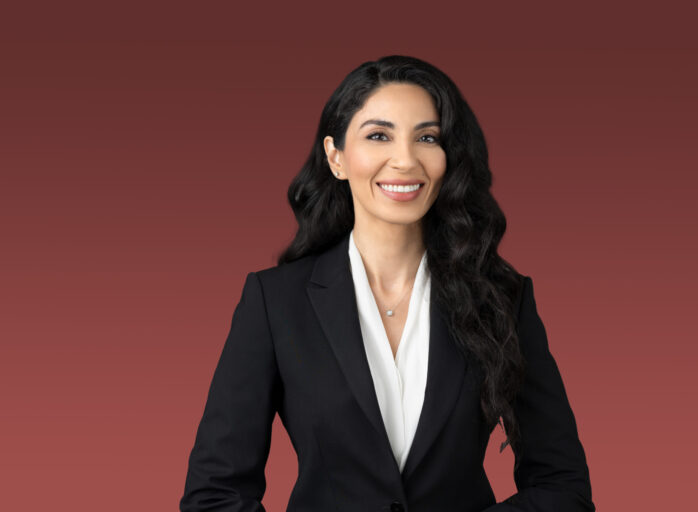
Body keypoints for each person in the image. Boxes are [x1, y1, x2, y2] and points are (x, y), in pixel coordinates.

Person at [179, 55, 595, 512]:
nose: (405, 159)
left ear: (447, 157)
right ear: (336, 157)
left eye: (427, 137)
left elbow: (562, 485)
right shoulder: (275, 302)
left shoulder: (502, 298)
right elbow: (215, 494)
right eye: (379, 135)